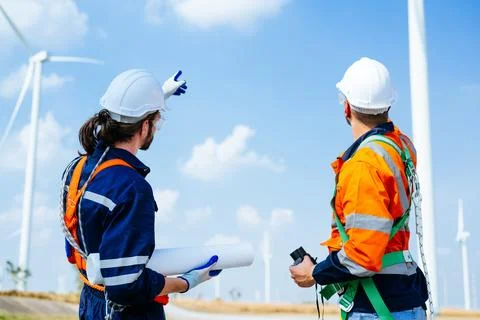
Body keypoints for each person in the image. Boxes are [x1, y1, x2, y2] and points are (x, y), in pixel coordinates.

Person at [60, 69, 220, 320]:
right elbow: (125, 286)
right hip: (122, 313)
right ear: (145, 125)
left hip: (91, 301)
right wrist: (186, 282)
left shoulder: (76, 169)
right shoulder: (131, 188)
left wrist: (158, 97)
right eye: (156, 121)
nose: (156, 127)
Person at [289, 57, 429, 320]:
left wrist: (314, 273)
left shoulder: (364, 164)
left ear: (347, 108)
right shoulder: (400, 147)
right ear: (388, 105)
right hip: (405, 298)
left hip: (377, 306)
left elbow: (364, 254)